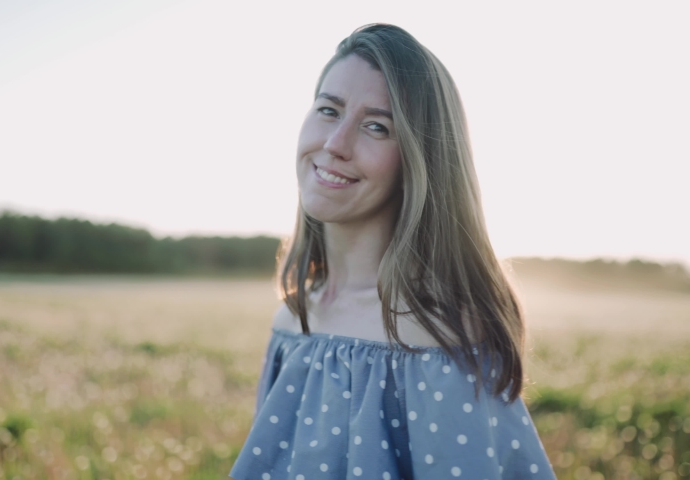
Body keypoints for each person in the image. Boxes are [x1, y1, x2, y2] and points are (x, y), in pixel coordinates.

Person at [230, 24, 556, 479]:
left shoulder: (438, 337)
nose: (334, 144)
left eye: (376, 126)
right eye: (329, 110)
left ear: (419, 162)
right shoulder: (291, 320)